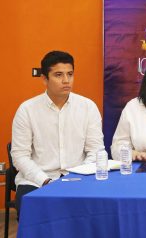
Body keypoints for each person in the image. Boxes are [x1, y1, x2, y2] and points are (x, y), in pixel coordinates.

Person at [11, 51, 104, 215]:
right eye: (58, 75)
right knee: (32, 210)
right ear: (44, 79)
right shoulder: (27, 110)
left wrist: (79, 177)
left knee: (97, 209)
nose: (66, 80)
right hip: (37, 180)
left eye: (70, 74)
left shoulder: (88, 107)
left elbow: (95, 150)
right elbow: (20, 156)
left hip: (79, 177)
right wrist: (45, 181)